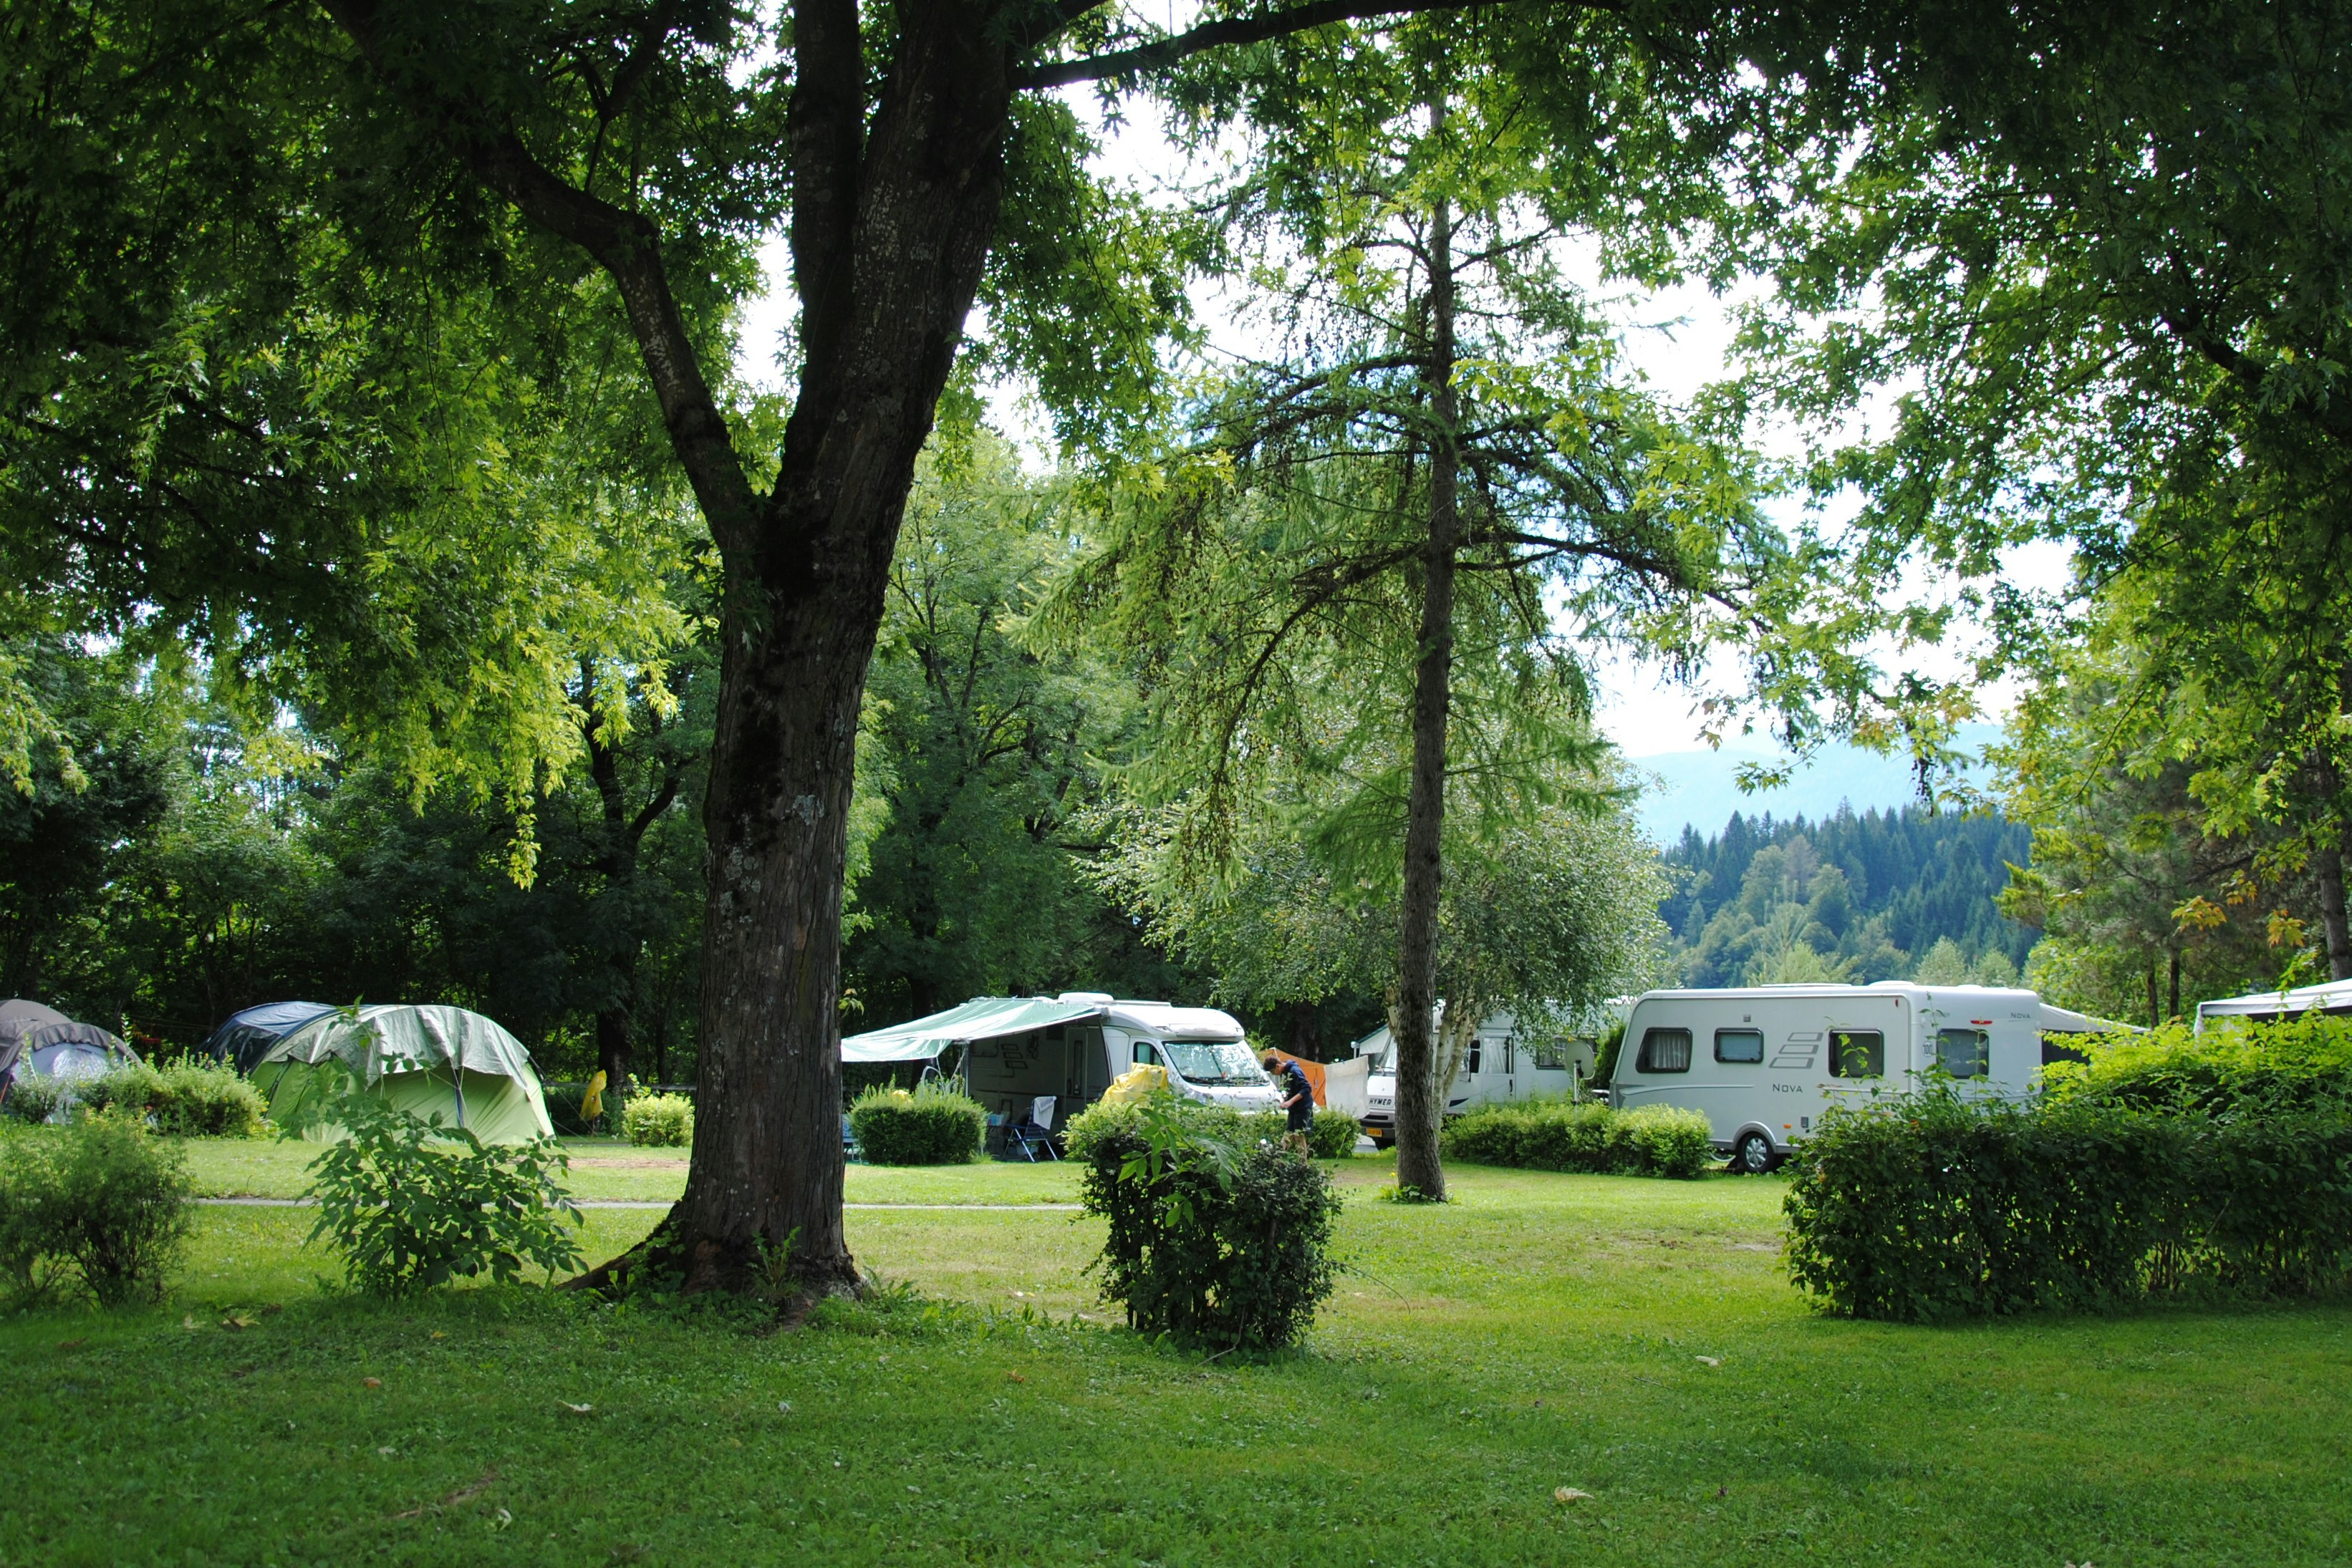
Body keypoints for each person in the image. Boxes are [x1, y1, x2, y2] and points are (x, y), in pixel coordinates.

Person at [1265, 1053, 1315, 1136]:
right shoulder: (1283, 1073)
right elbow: (1290, 1089)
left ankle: (1299, 1149)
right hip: (1294, 1108)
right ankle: (1281, 1148)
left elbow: (1307, 1088)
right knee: (1288, 1134)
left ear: (1278, 1066)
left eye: (1272, 1071)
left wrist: (1290, 1102)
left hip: (1303, 1106)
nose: (1273, 1074)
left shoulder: (1294, 1071)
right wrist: (1285, 1101)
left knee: (1298, 1135)